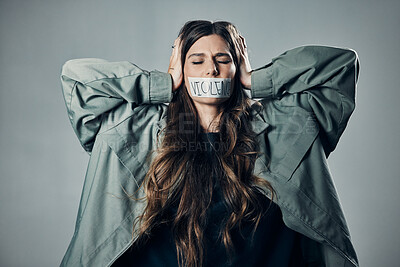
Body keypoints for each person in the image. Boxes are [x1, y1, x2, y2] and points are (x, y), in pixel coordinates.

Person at [60, 20, 360, 267]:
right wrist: (164, 83)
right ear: (181, 67)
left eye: (223, 59)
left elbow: (341, 66)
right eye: (197, 60)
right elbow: (77, 79)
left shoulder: (285, 125)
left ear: (237, 67)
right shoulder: (137, 128)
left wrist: (257, 80)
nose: (211, 70)